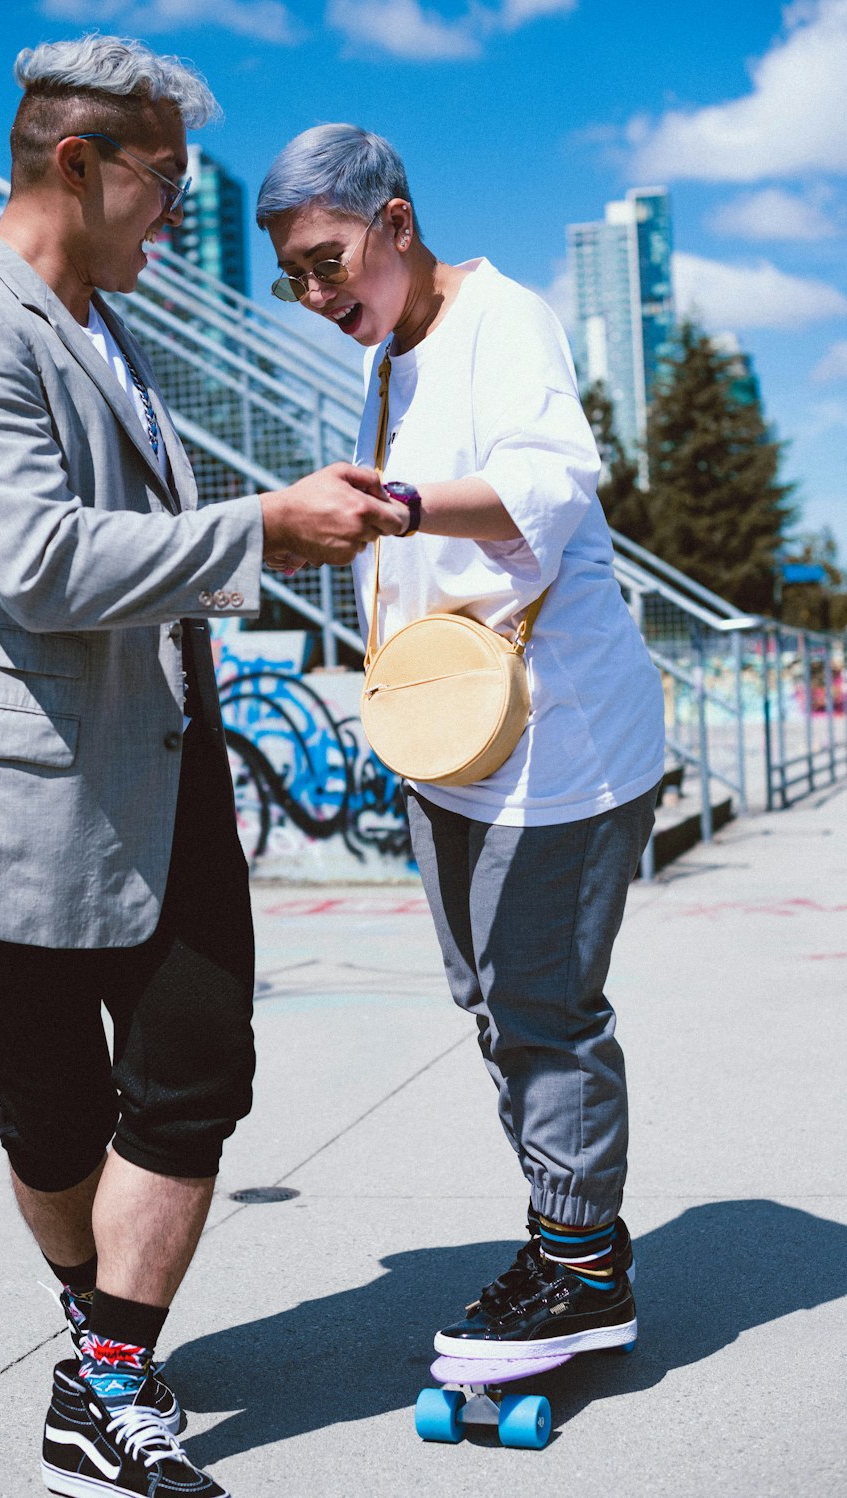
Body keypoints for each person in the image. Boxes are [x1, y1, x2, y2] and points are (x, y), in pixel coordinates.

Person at [0, 47, 409, 1498]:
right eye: (165, 185)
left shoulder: (109, 327)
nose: (176, 215)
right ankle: (100, 1325)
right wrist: (266, 531)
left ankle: (103, 1380)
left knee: (190, 1080)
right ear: (76, 165)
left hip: (163, 769)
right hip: (8, 787)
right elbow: (39, 562)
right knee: (53, 1116)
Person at [257, 125, 665, 1363]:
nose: (320, 296)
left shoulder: (502, 318)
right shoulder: (394, 359)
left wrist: (398, 503)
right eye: (295, 279)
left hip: (557, 735)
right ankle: (570, 1238)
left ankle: (584, 1269)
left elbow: (552, 481)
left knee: (542, 1002)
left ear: (395, 220)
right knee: (491, 1002)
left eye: (331, 262)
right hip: (448, 735)